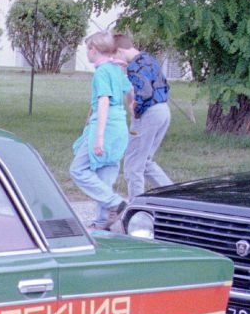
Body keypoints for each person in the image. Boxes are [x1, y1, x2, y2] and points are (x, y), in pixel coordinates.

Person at [69, 32, 131, 232]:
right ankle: (103, 221)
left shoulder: (102, 72)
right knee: (106, 171)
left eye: (87, 48)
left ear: (94, 49)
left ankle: (116, 203)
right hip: (120, 122)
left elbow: (103, 101)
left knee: (78, 169)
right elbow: (130, 91)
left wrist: (99, 137)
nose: (87, 52)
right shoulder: (117, 69)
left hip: (106, 124)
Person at [113, 32, 174, 200]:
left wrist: (136, 108)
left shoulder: (133, 67)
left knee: (133, 165)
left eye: (113, 55)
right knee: (145, 161)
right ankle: (175, 195)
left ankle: (137, 206)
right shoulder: (149, 59)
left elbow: (145, 92)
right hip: (163, 110)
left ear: (119, 51)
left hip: (149, 114)